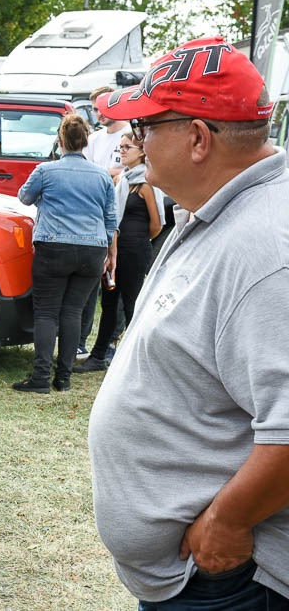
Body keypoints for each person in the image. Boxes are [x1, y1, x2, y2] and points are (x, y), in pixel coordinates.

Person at [88, 36, 289, 609]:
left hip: (231, 581)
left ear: (198, 138)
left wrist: (227, 522)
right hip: (205, 579)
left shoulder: (268, 251)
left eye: (145, 126)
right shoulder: (225, 211)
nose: (133, 141)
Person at [12, 113, 117, 394]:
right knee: (73, 312)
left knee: (46, 312)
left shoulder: (45, 171)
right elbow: (110, 219)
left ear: (60, 141)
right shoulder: (102, 175)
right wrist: (111, 254)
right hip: (92, 248)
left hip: (54, 245)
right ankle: (64, 377)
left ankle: (40, 377)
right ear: (85, 141)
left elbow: (24, 197)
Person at [73, 131, 162, 373]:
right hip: (114, 249)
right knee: (109, 302)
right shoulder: (122, 179)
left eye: (126, 147)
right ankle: (98, 356)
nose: (121, 151)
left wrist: (136, 240)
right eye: (120, 147)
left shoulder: (145, 182)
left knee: (132, 304)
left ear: (141, 152)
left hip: (134, 251)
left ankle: (139, 358)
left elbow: (157, 224)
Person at [76, 85, 130, 360]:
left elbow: (126, 174)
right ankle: (81, 342)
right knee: (90, 281)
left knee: (114, 283)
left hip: (120, 217)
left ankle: (111, 342)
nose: (99, 114)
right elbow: (84, 172)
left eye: (104, 108)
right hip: (91, 216)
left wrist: (101, 173)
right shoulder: (94, 139)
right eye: (95, 109)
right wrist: (107, 174)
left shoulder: (129, 135)